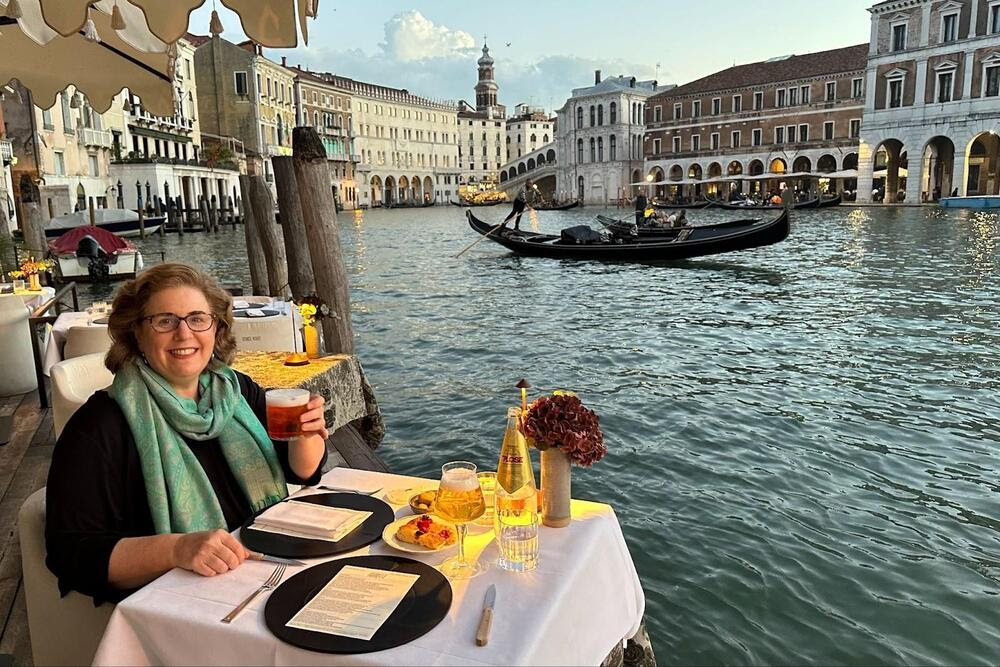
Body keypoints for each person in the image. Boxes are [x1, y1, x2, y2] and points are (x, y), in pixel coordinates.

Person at [45, 263, 329, 603]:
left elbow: (300, 470)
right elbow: (72, 554)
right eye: (164, 321)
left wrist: (307, 435)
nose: (184, 334)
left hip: (266, 571)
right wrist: (177, 548)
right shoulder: (98, 427)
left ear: (216, 329)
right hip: (177, 603)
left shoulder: (236, 391)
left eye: (197, 318)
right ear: (136, 332)